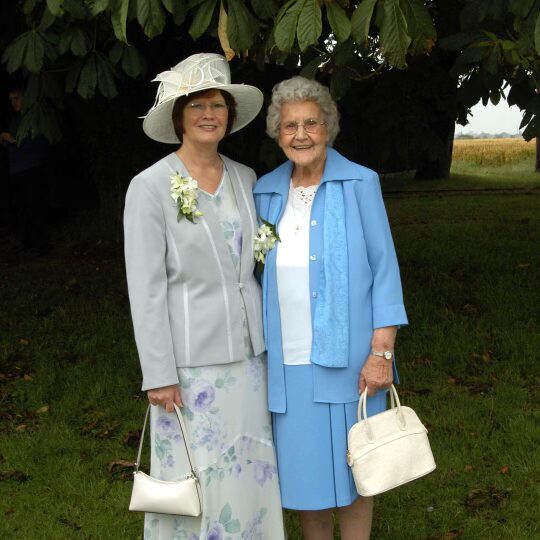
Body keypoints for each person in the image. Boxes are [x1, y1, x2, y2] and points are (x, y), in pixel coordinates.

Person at [124, 53, 285, 540]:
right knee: (195, 475)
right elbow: (145, 289)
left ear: (229, 115)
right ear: (179, 117)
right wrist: (159, 374)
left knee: (249, 463)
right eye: (196, 105)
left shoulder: (245, 177)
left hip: (249, 357)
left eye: (217, 104)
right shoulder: (149, 187)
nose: (208, 114)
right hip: (188, 367)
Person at [253, 76, 408, 539]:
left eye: (311, 124)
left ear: (329, 127)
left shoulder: (360, 182)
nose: (300, 135)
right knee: (306, 484)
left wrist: (382, 353)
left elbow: (385, 269)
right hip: (289, 364)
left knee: (359, 475)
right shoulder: (265, 191)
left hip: (352, 362)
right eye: (289, 126)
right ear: (277, 134)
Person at [0, 84, 51, 254]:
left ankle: (40, 245)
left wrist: (13, 141)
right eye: (11, 100)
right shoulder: (16, 120)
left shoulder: (34, 117)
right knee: (22, 208)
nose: (14, 103)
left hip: (31, 168)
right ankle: (27, 243)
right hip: (17, 170)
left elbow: (38, 143)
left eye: (17, 98)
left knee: (34, 207)